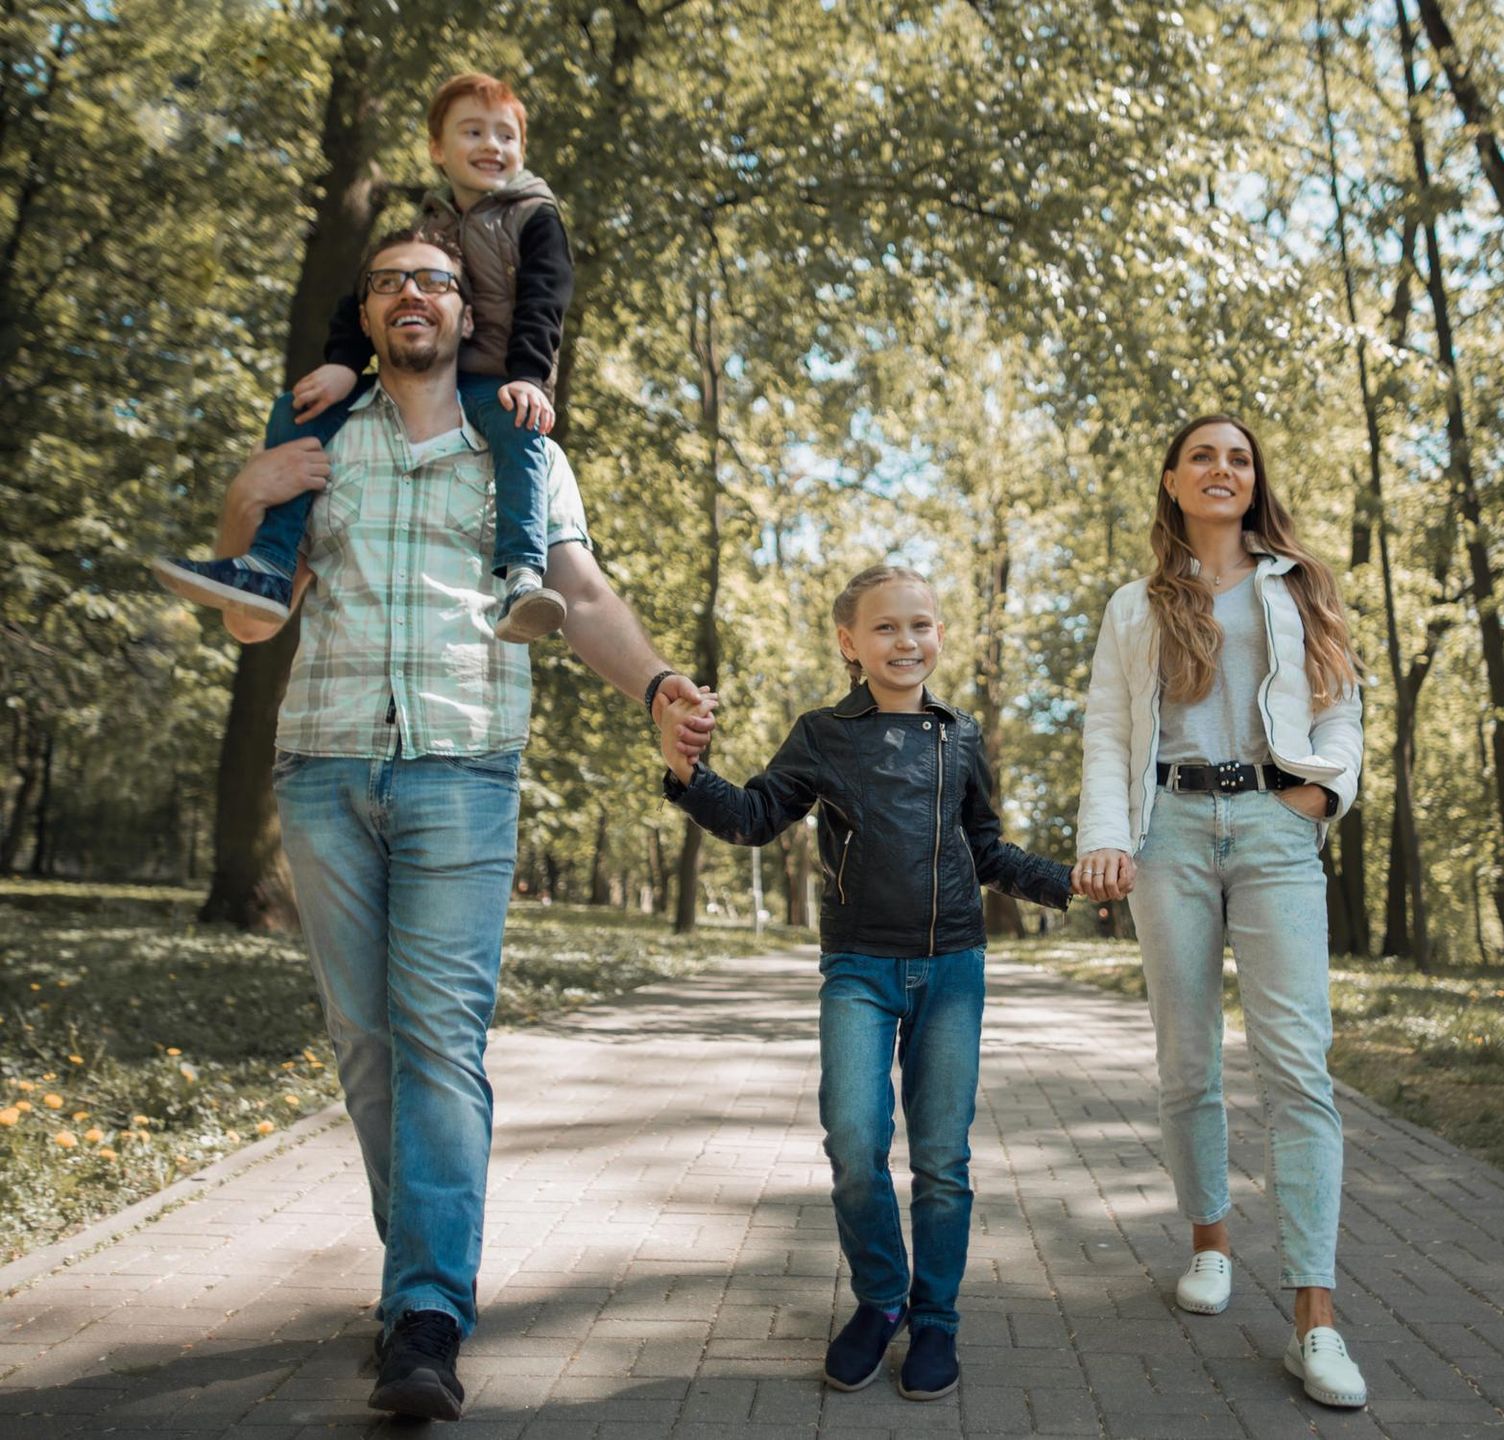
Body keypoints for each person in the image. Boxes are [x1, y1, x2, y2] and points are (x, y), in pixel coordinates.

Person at [208, 226, 712, 1422]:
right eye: (389, 283)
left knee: (438, 1040)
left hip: (462, 770)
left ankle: (428, 1313)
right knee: (363, 1039)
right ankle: (414, 1276)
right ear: (369, 314)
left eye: (435, 278)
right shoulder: (318, 438)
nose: (413, 296)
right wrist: (244, 496)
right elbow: (248, 622)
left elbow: (578, 593)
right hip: (322, 768)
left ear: (464, 309)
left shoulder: (520, 445)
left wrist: (654, 689)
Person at [657, 565, 1074, 1403]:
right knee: (853, 1145)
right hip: (858, 968)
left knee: (943, 1159)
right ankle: (881, 1300)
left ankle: (938, 1320)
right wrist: (686, 775)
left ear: (940, 635)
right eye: (885, 627)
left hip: (952, 969)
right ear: (850, 643)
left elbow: (986, 849)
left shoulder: (962, 735)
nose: (906, 641)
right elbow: (751, 817)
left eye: (921, 624)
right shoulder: (823, 733)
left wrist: (1070, 883)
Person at [1073, 415, 1369, 1409]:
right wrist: (1106, 835)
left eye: (1239, 457)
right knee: (1187, 1056)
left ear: (1256, 481)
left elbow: (1341, 706)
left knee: (1297, 1063)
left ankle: (1315, 1321)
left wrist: (1322, 797)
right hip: (1170, 834)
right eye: (1203, 455)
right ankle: (1209, 1244)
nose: (1222, 468)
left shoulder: (1301, 584)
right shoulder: (1135, 604)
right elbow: (1110, 730)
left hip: (1275, 827)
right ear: (1171, 479)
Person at [156, 72, 575, 644]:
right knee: (298, 408)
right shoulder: (427, 226)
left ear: (521, 152)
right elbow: (367, 297)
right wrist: (344, 365)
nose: (491, 147)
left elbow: (545, 299)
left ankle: (522, 579)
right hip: (423, 373)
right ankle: (270, 567)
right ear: (437, 150)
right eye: (472, 132)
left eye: (505, 136)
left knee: (521, 431)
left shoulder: (533, 215)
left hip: (499, 376)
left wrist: (528, 376)